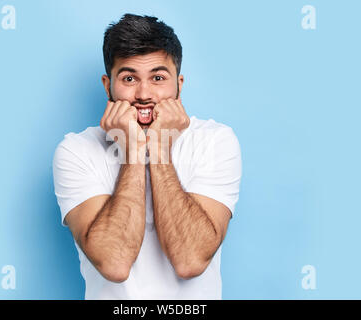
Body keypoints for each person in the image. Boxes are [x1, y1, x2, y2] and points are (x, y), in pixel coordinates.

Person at [52, 13, 242, 299]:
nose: (143, 93)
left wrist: (159, 149)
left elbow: (190, 261)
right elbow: (114, 264)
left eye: (158, 78)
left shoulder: (215, 141)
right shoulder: (76, 150)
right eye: (129, 78)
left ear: (179, 83)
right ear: (108, 85)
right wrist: (135, 151)